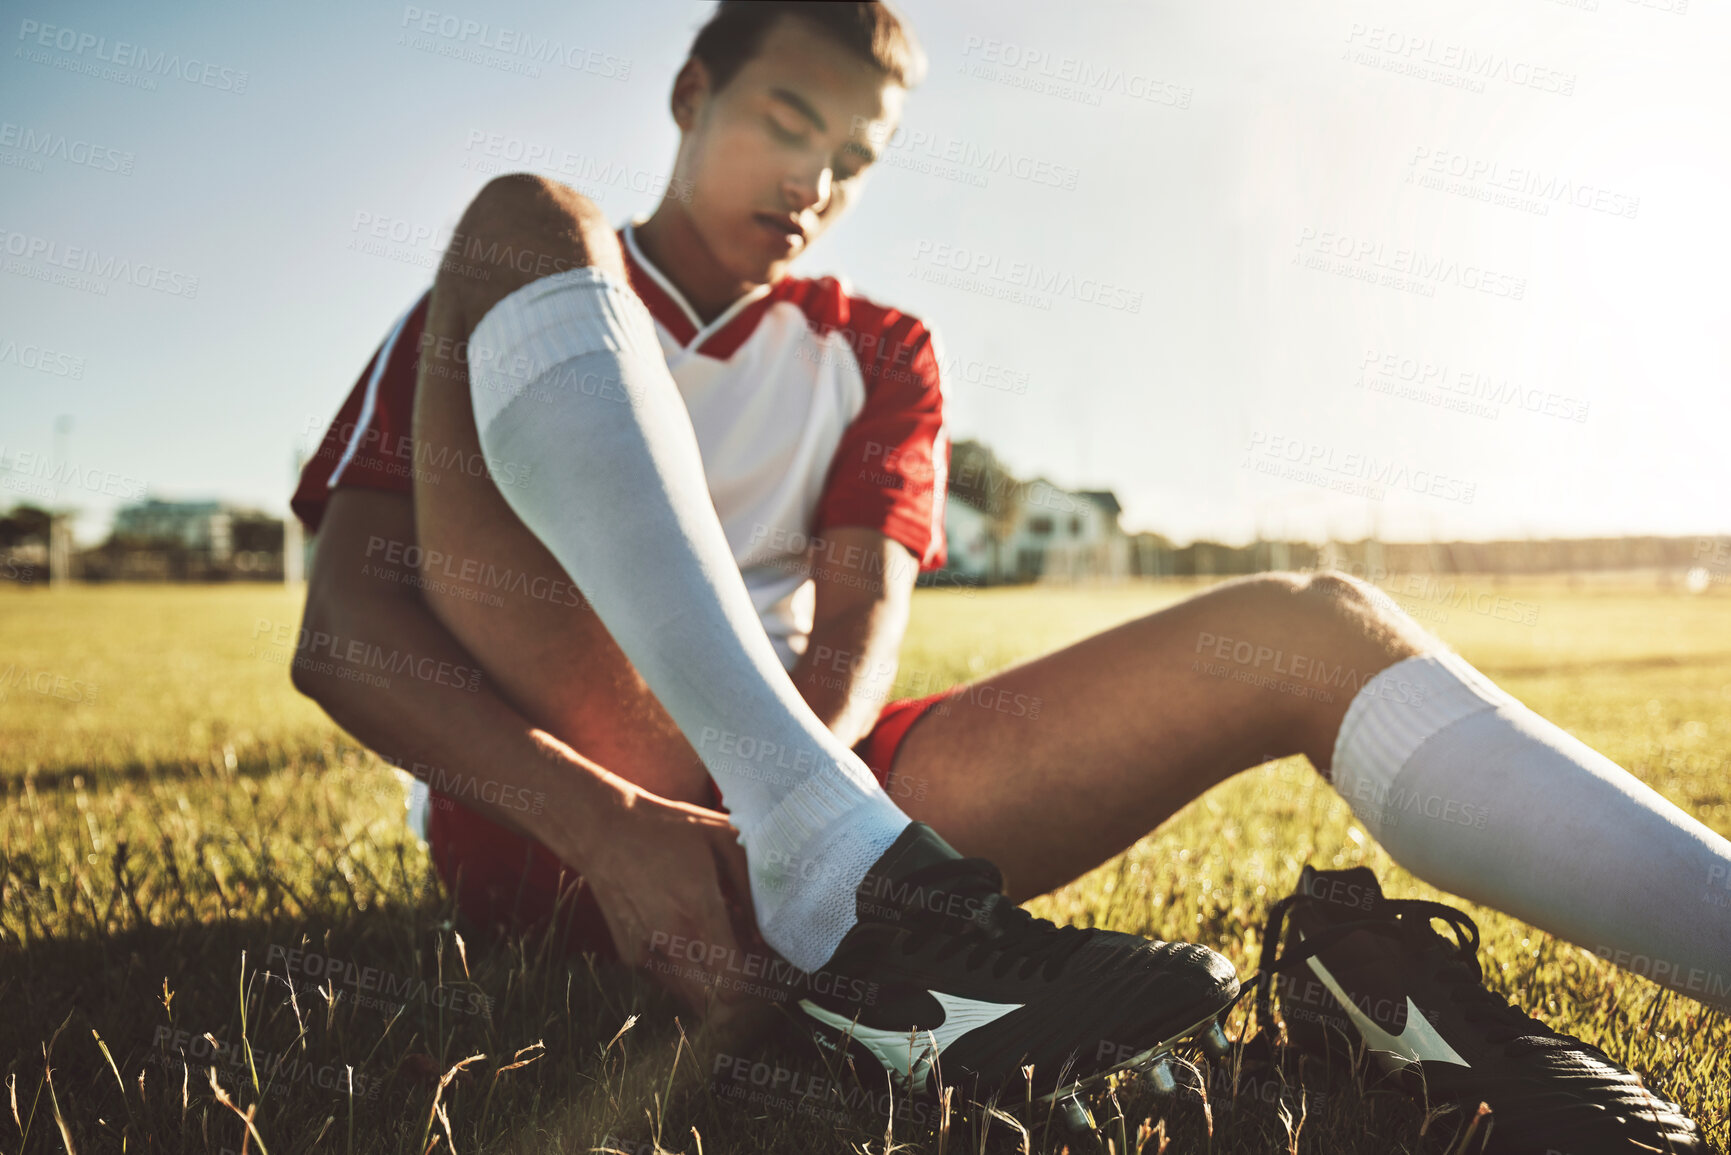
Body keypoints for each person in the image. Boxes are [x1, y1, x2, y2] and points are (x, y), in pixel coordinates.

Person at [291, 0, 1731, 1113]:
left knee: (1318, 620)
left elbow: (858, 643)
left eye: (852, 163)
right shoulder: (526, 295)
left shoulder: (877, 350)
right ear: (690, 94)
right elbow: (342, 625)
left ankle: (838, 881)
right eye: (785, 123)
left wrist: (798, 795)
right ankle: (832, 876)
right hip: (562, 805)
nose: (813, 182)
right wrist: (613, 827)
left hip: (835, 797)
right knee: (519, 213)